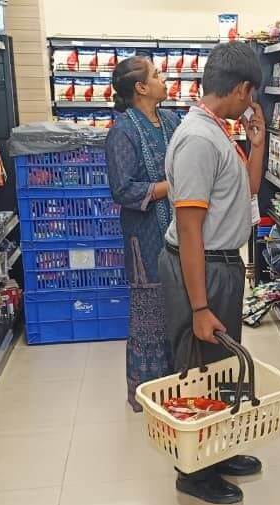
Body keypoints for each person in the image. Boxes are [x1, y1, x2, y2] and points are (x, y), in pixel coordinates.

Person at [159, 42, 266, 505]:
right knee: (194, 368)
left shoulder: (218, 131)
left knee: (217, 366)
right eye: (252, 93)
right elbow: (189, 229)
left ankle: (215, 450)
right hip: (203, 266)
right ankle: (193, 471)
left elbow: (249, 191)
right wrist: (200, 306)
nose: (251, 102)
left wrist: (257, 145)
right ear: (242, 89)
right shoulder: (200, 140)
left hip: (221, 264)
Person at [104, 56, 182, 412]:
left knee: (179, 307)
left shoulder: (172, 120)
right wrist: (172, 186)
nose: (164, 79)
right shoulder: (122, 131)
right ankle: (150, 394)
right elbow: (122, 189)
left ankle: (181, 387)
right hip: (145, 237)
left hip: (180, 231)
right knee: (151, 314)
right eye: (157, 75)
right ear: (141, 88)